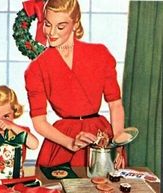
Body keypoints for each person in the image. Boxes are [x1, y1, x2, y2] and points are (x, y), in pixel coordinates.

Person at [24, 0, 126, 169]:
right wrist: (70, 143)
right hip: (62, 139)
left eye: (60, 26)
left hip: (100, 137)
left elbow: (115, 104)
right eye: (48, 25)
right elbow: (39, 122)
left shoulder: (100, 54)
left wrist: (119, 142)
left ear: (75, 24)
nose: (51, 33)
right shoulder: (36, 68)